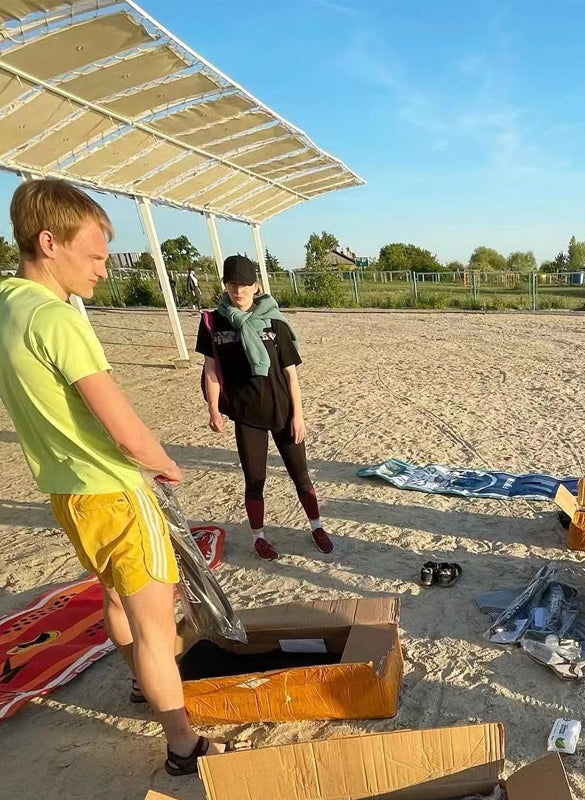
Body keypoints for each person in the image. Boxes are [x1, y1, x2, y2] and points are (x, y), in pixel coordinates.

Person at [0, 179, 248, 775]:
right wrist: (163, 462)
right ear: (49, 242)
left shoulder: (8, 303)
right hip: (113, 490)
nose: (105, 269)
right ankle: (182, 745)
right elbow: (120, 424)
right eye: (96, 255)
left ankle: (144, 683)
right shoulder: (58, 319)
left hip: (68, 493)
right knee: (155, 621)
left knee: (114, 594)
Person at [196, 255, 334, 559]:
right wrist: (213, 410)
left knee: (301, 475)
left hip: (283, 412)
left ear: (256, 285)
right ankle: (259, 537)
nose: (239, 290)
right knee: (255, 479)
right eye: (232, 284)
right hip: (246, 415)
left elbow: (290, 372)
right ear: (226, 285)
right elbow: (210, 370)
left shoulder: (274, 321)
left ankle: (317, 526)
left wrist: (299, 415)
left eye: (244, 284)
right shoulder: (213, 323)